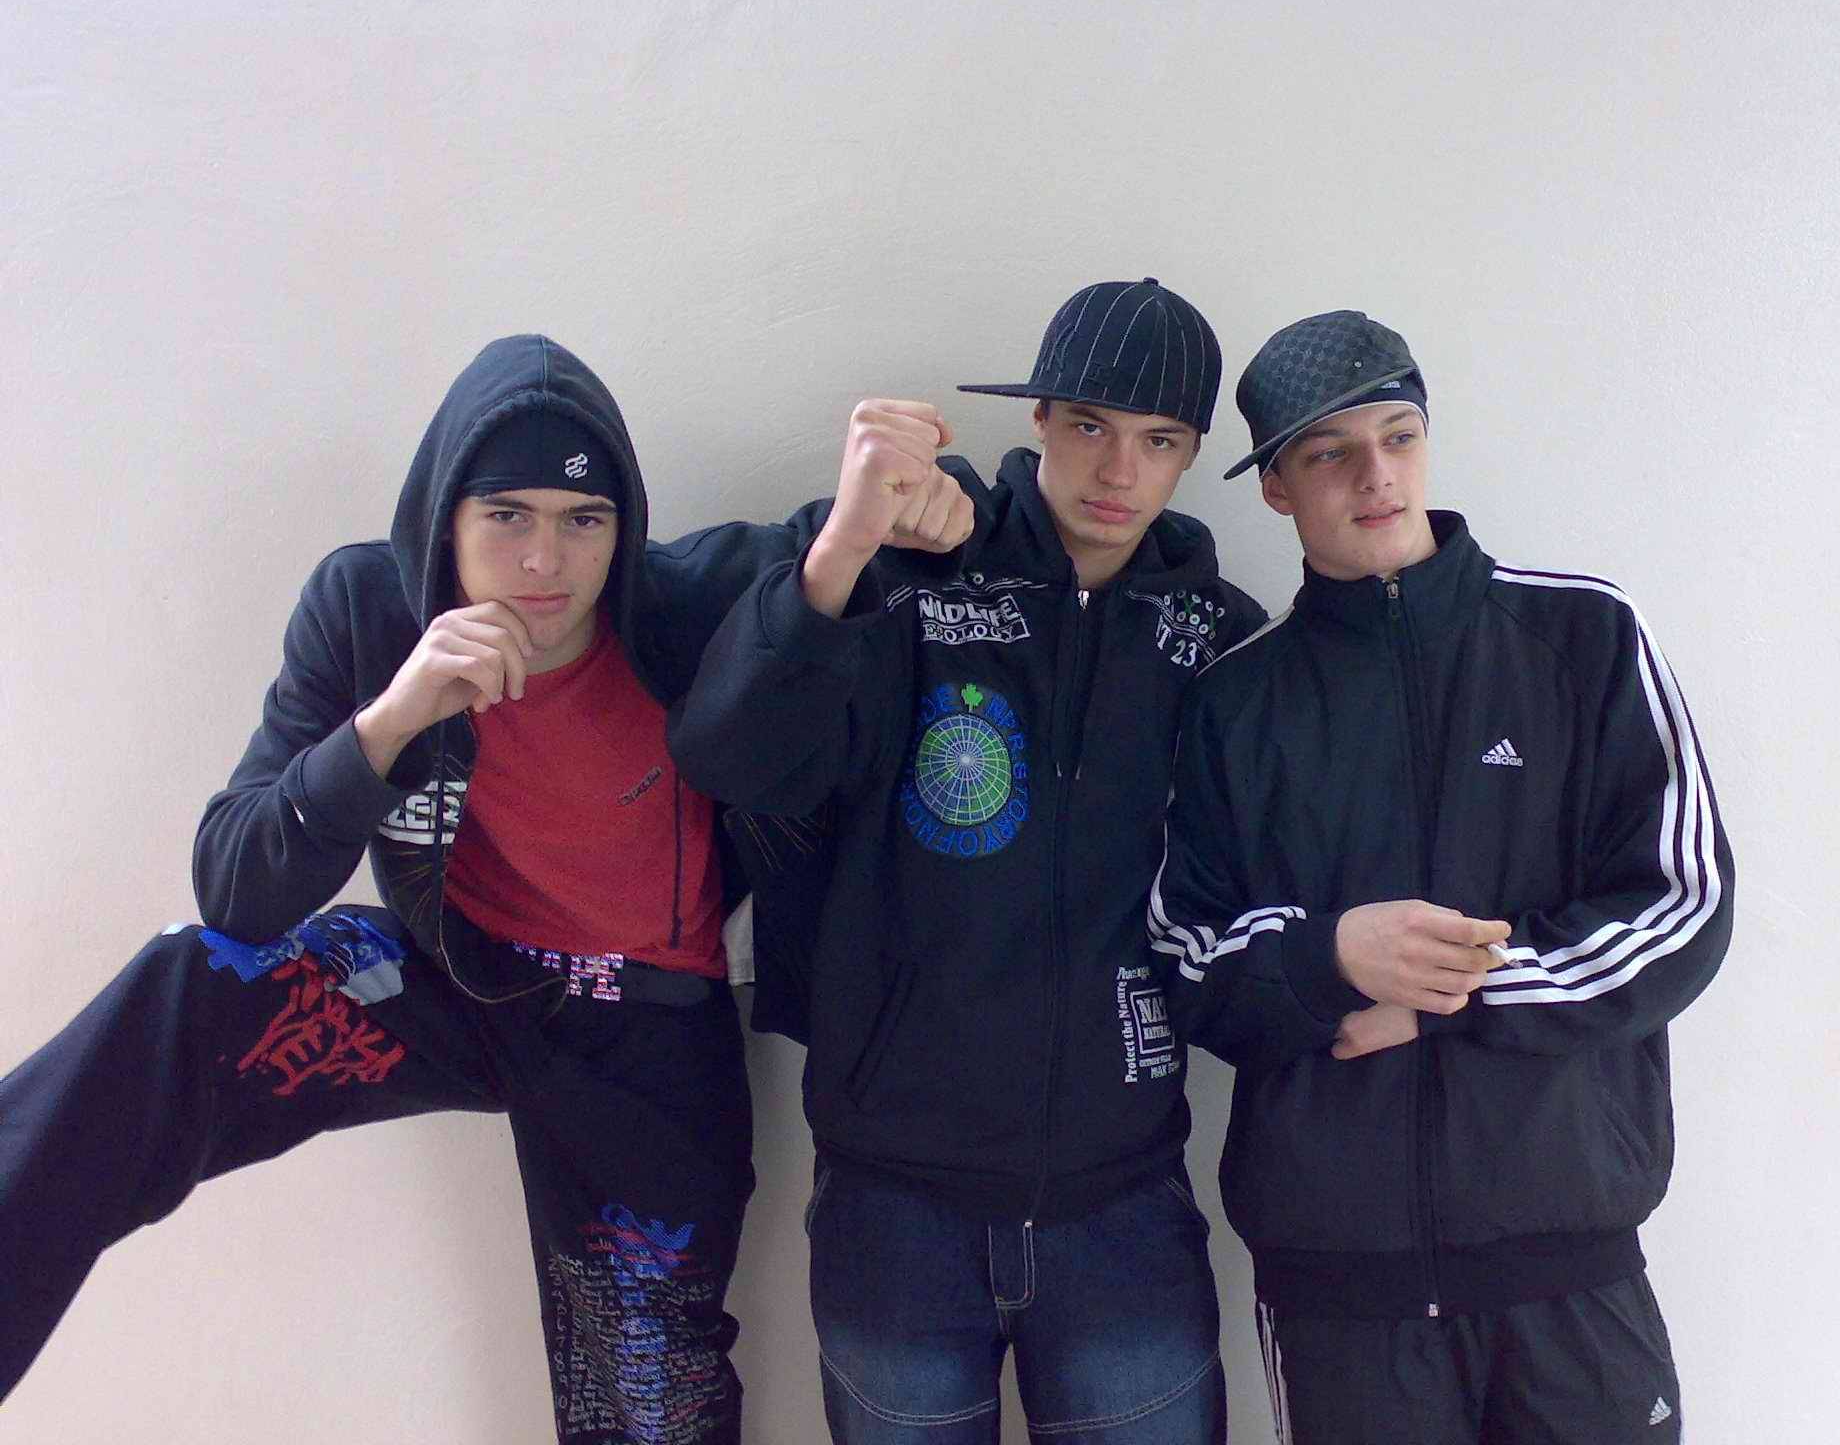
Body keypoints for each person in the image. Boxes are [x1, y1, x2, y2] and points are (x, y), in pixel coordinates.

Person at [0, 334, 830, 1444]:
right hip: (456, 986)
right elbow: (237, 884)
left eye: (583, 520)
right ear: (444, 518)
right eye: (507, 516)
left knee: (644, 1395)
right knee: (194, 980)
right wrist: (388, 723)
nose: (545, 560)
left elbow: (860, 544)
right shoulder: (367, 609)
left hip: (646, 1033)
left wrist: (918, 491)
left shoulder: (686, 604)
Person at [671, 278, 1266, 1444]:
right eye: (1088, 424)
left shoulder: (1217, 639)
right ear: (1037, 419)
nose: (1117, 469)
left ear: (1192, 455)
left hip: (1122, 1203)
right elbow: (730, 760)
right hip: (894, 1204)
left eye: (1157, 440)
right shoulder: (903, 575)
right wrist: (842, 546)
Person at [1148, 309, 1734, 1444]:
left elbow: (1682, 904)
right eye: (1329, 452)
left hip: (1568, 1266)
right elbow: (1184, 958)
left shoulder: (1583, 636)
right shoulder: (1232, 701)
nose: (1375, 475)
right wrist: (1328, 955)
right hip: (1339, 1289)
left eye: (1398, 435)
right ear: (1275, 487)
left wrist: (1453, 994)